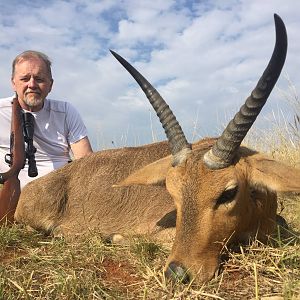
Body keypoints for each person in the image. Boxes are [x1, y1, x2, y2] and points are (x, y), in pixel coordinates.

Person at [0, 50, 93, 190]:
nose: (32, 85)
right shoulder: (1, 111)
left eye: (39, 79)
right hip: (14, 197)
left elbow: (87, 162)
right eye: (25, 79)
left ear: (50, 84)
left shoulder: (66, 111)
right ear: (13, 83)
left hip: (61, 194)